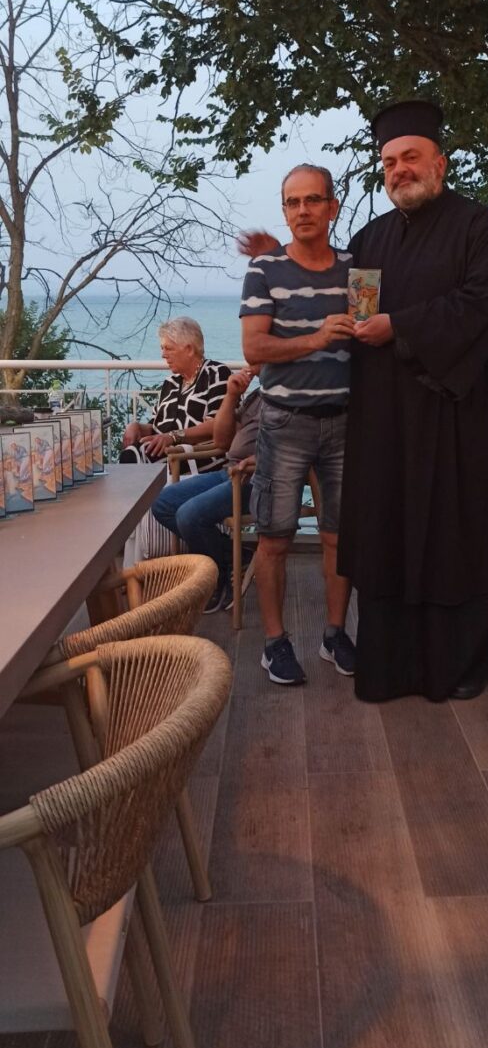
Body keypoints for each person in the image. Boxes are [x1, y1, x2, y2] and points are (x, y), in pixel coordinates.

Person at [239, 100, 488, 703]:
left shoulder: (480, 230)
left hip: (458, 421)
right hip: (388, 427)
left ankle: (464, 661)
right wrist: (278, 253)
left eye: (410, 157)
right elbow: (341, 298)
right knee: (388, 538)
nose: (399, 170)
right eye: (389, 162)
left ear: (440, 162)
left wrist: (401, 326)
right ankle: (391, 658)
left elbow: (486, 308)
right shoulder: (371, 240)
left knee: (456, 541)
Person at [240, 164, 356, 687]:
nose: (303, 210)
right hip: (285, 423)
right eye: (293, 202)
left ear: (332, 207)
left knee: (338, 537)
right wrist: (316, 339)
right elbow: (254, 348)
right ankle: (275, 643)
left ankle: (335, 634)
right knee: (274, 539)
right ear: (284, 210)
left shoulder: (356, 270)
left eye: (313, 200)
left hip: (346, 422)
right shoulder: (264, 270)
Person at [151, 365, 261, 612]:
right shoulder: (257, 396)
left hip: (256, 479)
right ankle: (233, 557)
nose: (251, 362)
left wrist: (260, 461)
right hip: (230, 472)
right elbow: (222, 441)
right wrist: (231, 396)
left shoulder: (288, 400)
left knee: (188, 514)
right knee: (162, 503)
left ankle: (217, 576)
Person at [120, 317, 230, 472]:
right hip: (163, 451)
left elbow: (218, 425)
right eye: (162, 348)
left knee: (134, 459)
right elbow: (155, 426)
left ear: (189, 349)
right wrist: (136, 426)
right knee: (132, 454)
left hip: (196, 454)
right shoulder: (171, 382)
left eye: (168, 348)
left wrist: (173, 437)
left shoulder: (216, 374)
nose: (163, 355)